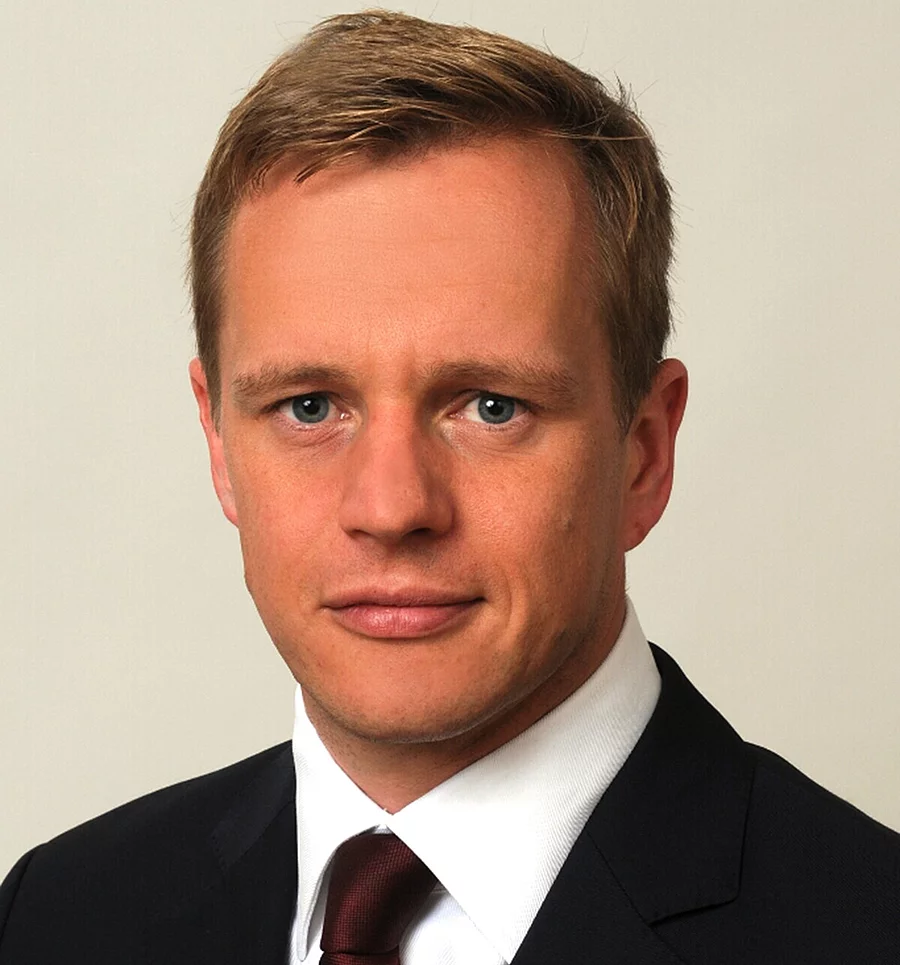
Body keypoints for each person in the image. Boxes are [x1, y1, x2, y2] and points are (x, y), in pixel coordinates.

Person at [1, 9, 897, 963]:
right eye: (309, 406)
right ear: (219, 442)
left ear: (643, 451)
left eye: (491, 407)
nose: (391, 509)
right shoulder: (56, 917)